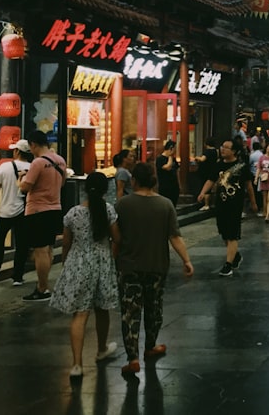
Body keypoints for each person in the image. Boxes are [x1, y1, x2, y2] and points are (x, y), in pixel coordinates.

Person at [116, 162, 193, 376]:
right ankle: (150, 346)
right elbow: (175, 237)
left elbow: (116, 237)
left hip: (129, 266)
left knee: (130, 312)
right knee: (154, 307)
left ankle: (132, 358)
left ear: (134, 181)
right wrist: (186, 260)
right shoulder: (166, 205)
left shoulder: (123, 205)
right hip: (157, 265)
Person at [49, 172, 121, 379]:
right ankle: (101, 349)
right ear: (105, 190)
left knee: (80, 315)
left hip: (78, 263)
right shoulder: (108, 210)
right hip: (102, 263)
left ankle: (77, 365)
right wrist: (110, 255)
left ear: (85, 189)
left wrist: (66, 263)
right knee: (102, 309)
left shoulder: (73, 213)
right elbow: (117, 238)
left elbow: (66, 243)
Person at [19, 130, 67, 302]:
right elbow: (62, 183)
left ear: (33, 144)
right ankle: (44, 285)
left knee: (40, 250)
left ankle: (42, 288)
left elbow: (25, 187)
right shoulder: (60, 160)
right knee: (48, 248)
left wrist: (20, 180)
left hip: (38, 210)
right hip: (55, 208)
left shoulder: (38, 162)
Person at [0, 139, 33, 284]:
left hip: (6, 210)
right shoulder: (34, 168)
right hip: (25, 210)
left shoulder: (5, 167)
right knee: (22, 244)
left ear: (17, 151)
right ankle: (18, 276)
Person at [198, 140, 253, 276]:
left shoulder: (241, 166)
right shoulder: (219, 165)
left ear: (234, 151)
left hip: (235, 204)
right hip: (221, 204)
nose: (222, 150)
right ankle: (236, 255)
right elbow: (211, 180)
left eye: (226, 148)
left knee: (232, 234)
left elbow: (248, 185)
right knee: (224, 233)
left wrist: (253, 202)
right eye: (222, 147)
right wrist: (203, 192)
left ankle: (228, 265)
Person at [155, 140, 180, 207]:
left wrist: (179, 183)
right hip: (165, 186)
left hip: (174, 186)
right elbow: (168, 167)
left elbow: (177, 171)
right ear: (171, 148)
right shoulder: (160, 159)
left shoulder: (174, 159)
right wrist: (170, 156)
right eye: (175, 148)